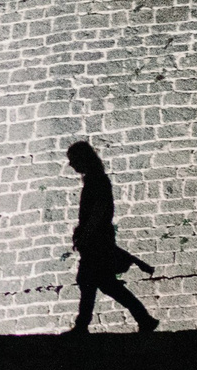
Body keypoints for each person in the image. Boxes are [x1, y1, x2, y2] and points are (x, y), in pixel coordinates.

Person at [64, 140, 158, 334]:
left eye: (73, 160)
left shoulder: (96, 180)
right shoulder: (96, 179)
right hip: (97, 239)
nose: (71, 164)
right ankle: (144, 319)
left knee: (91, 281)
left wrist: (86, 234)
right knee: (102, 283)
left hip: (96, 241)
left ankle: (82, 326)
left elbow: (98, 211)